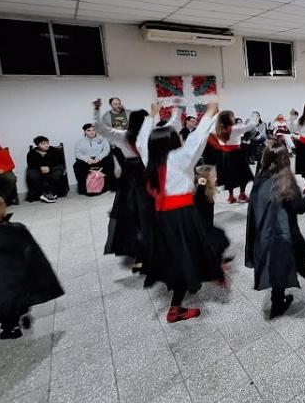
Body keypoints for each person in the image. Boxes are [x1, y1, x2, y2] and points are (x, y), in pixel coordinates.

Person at [138, 101, 225, 323]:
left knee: (181, 254)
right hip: (182, 217)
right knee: (187, 256)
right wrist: (211, 113)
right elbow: (197, 140)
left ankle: (206, 271)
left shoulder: (150, 157)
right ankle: (175, 309)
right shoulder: (180, 159)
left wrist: (152, 116)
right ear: (172, 143)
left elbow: (142, 140)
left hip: (163, 218)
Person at [245, 140, 305, 318]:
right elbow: (300, 207)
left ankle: (277, 305)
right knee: (304, 264)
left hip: (268, 236)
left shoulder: (260, 179)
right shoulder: (285, 182)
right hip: (288, 236)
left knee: (278, 266)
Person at [0, 196, 64, 341]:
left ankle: (10, 326)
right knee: (17, 304)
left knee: (3, 304)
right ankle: (16, 321)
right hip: (22, 284)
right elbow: (34, 255)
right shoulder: (16, 229)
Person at [94, 99, 158, 270]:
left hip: (132, 175)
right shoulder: (149, 134)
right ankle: (151, 251)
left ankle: (142, 254)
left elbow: (100, 128)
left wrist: (96, 110)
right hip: (145, 175)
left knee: (135, 216)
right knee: (147, 214)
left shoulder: (122, 135)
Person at [207, 110, 254, 203]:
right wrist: (254, 118)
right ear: (228, 119)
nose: (234, 118)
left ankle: (231, 196)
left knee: (229, 176)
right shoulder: (234, 129)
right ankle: (242, 194)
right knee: (243, 175)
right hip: (236, 153)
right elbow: (249, 126)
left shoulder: (217, 129)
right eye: (232, 117)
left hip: (225, 155)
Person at [194, 165, 231, 261]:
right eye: (214, 176)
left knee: (220, 239)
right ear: (206, 178)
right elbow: (199, 184)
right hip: (201, 227)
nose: (216, 178)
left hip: (207, 225)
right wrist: (201, 180)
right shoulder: (200, 192)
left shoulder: (208, 191)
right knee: (219, 239)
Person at [73, 123, 114, 194]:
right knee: (77, 166)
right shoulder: (79, 142)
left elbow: (106, 150)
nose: (91, 132)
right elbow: (77, 153)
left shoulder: (102, 139)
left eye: (93, 130)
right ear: (85, 131)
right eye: (89, 130)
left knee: (109, 164)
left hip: (99, 158)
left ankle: (107, 186)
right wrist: (87, 159)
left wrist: (98, 158)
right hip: (87, 159)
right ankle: (83, 189)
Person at [25, 136, 66, 203]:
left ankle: (53, 192)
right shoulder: (32, 153)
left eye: (47, 143)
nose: (46, 145)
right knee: (33, 174)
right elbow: (31, 164)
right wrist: (40, 168)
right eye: (43, 143)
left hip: (52, 168)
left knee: (57, 172)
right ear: (37, 145)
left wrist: (49, 167)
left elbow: (59, 161)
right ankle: (42, 194)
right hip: (38, 170)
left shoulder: (54, 150)